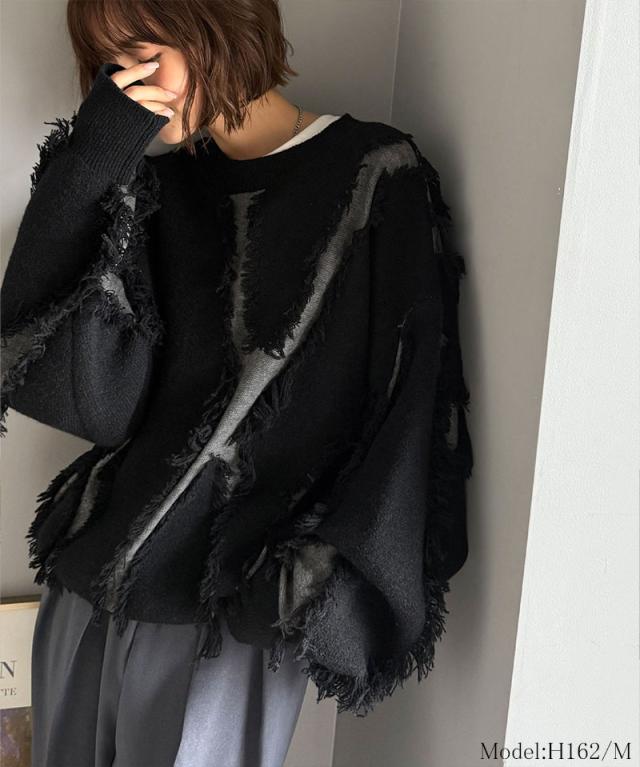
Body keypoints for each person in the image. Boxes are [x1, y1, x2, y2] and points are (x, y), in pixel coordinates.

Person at [0, 0, 474, 765]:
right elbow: (85, 400)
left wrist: (310, 588)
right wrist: (95, 156)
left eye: (141, 51)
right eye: (108, 62)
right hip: (82, 597)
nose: (125, 81)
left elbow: (409, 406)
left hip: (226, 615)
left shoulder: (375, 174)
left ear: (212, 21)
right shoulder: (155, 189)